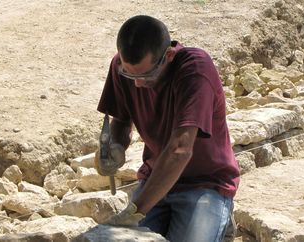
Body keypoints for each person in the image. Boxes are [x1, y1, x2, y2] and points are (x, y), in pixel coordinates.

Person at [95, 15, 240, 242]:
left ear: (169, 56)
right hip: (156, 178)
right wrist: (115, 147)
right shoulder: (123, 67)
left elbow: (180, 149)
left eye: (146, 75)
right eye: (129, 74)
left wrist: (135, 212)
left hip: (206, 184)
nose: (137, 83)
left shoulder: (195, 69)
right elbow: (122, 121)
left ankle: (220, 218)